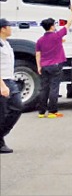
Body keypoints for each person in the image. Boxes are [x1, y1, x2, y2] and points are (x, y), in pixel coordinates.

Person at [36, 6, 72, 118]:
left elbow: (38, 54)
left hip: (44, 66)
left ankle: (41, 112)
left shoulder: (40, 40)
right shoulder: (57, 36)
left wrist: (39, 66)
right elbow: (68, 24)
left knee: (44, 88)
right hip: (56, 65)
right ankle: (52, 111)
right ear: (52, 26)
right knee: (54, 88)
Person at [0, 18, 22, 153]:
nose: (11, 28)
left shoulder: (6, 43)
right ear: (2, 28)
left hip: (10, 80)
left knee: (17, 107)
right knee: (2, 113)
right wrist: (2, 85)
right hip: (2, 81)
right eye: (9, 26)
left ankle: (1, 134)